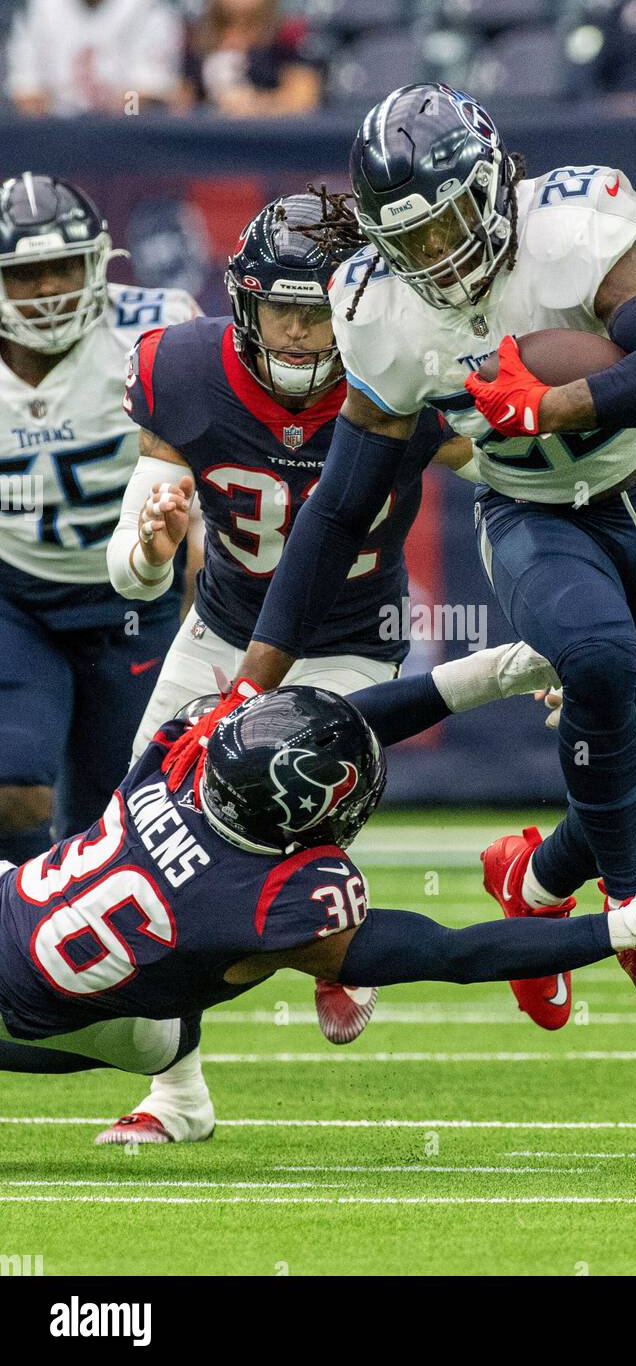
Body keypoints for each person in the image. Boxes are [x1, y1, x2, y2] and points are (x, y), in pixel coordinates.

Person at [200, 83, 636, 1038]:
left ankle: (532, 880)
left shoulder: (570, 231)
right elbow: (338, 508)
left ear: (495, 185)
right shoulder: (381, 310)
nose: (440, 256)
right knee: (596, 652)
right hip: (533, 512)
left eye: (451, 222)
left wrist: (561, 402)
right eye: (411, 242)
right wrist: (255, 678)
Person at [100, 187, 555, 1140]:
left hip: (349, 639)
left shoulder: (404, 366)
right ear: (244, 304)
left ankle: (327, 926)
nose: (303, 334)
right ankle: (176, 1097)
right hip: (222, 629)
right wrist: (151, 543)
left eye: (322, 308)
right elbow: (133, 572)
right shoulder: (183, 371)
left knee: (278, 816)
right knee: (138, 846)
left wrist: (565, 619)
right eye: (284, 310)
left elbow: (520, 493)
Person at [0, 680, 636, 1148]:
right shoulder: (260, 902)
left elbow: (345, 723)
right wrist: (624, 929)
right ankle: (177, 1079)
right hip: (37, 1006)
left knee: (160, 988)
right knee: (167, 1002)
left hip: (30, 911)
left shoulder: (181, 751)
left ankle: (176, 1079)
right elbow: (451, 954)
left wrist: (510, 666)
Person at [0, 172, 198, 870]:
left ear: (98, 263)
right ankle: (11, 939)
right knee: (13, 786)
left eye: (65, 267)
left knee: (109, 825)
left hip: (132, 602)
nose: (50, 288)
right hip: (16, 595)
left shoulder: (151, 328)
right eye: (26, 274)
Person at [6, 0, 183, 117]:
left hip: (125, 135)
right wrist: (39, 107)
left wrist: (122, 110)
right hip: (56, 134)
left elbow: (150, 90)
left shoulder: (147, 1)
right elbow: (24, 86)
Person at [181, 0, 320, 118]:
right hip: (211, 132)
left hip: (267, 132)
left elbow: (303, 96)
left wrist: (256, 105)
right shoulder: (199, 39)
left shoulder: (285, 35)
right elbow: (185, 96)